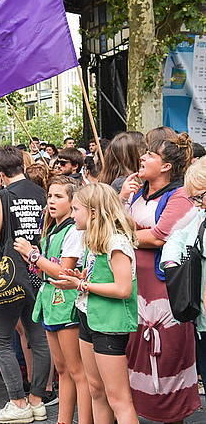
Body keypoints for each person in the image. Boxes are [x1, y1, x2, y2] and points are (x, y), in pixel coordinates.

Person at [119, 135, 201, 422]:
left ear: (166, 166)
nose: (142, 158)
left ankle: (172, 416)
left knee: (166, 359)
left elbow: (158, 237)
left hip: (166, 293)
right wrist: (121, 199)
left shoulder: (180, 196)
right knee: (136, 356)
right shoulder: (136, 192)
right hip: (133, 290)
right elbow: (114, 225)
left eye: (150, 155)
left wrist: (122, 238)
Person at [50, 183, 139, 423]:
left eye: (76, 208)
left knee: (118, 398)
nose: (72, 213)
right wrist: (81, 278)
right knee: (96, 390)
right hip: (89, 316)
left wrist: (81, 285)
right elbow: (101, 278)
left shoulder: (116, 243)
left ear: (93, 212)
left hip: (110, 323)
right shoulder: (93, 240)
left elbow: (123, 288)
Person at [13, 177, 92, 424]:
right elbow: (47, 269)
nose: (52, 201)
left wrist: (33, 255)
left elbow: (64, 271)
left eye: (59, 196)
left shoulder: (73, 231)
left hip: (66, 301)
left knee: (77, 370)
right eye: (50, 196)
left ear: (72, 201)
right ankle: (63, 420)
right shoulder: (52, 230)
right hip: (50, 301)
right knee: (61, 369)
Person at [0, 146, 50, 424]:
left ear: (0, 172)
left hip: (10, 273)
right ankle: (37, 400)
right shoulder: (40, 192)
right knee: (39, 337)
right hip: (37, 269)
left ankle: (17, 401)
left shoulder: (3, 195)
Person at [161, 157, 206, 407]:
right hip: (202, 319)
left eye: (200, 197)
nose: (198, 204)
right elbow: (176, 237)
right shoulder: (200, 217)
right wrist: (170, 263)